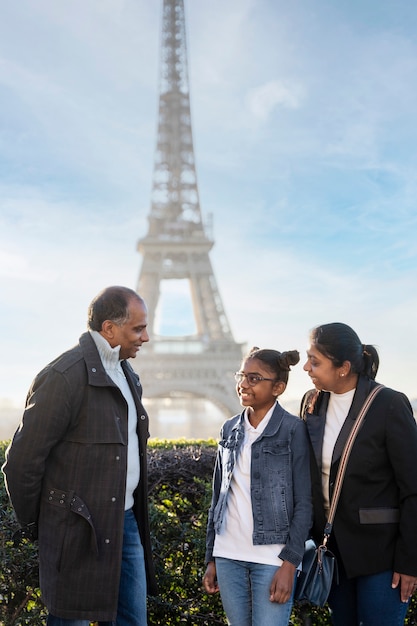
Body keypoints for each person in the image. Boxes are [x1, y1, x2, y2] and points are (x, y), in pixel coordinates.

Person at [2, 286, 158, 626]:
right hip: (76, 528)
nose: (146, 337)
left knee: (132, 620)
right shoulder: (63, 376)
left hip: (126, 522)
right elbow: (22, 462)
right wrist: (42, 524)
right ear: (109, 329)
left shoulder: (127, 374)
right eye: (138, 328)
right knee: (69, 619)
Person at [302, 322, 417, 626]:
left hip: (382, 554)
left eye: (315, 361)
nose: (305, 367)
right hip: (331, 555)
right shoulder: (311, 403)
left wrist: (410, 562)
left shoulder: (389, 404)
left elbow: (413, 488)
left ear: (343, 368)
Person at [203, 346, 312, 626]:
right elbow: (218, 497)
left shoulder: (293, 429)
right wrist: (212, 557)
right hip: (228, 556)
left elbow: (304, 502)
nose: (243, 384)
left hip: (272, 559)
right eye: (242, 375)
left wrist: (290, 562)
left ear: (278, 387)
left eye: (254, 378)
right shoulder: (229, 428)